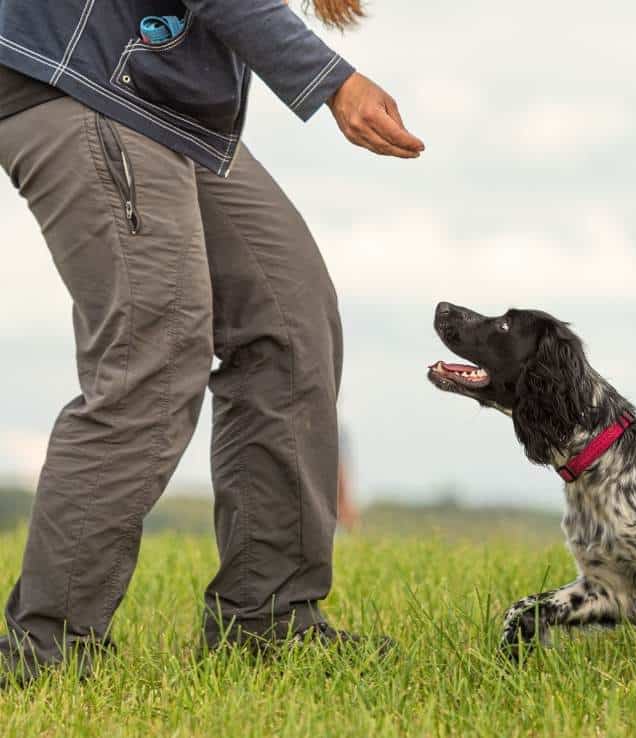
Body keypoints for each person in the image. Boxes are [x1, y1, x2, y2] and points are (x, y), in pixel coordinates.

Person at [0, 0, 423, 683]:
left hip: (170, 112)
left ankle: (267, 618)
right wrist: (330, 79)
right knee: (156, 350)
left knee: (289, 320)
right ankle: (46, 650)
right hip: (81, 79)